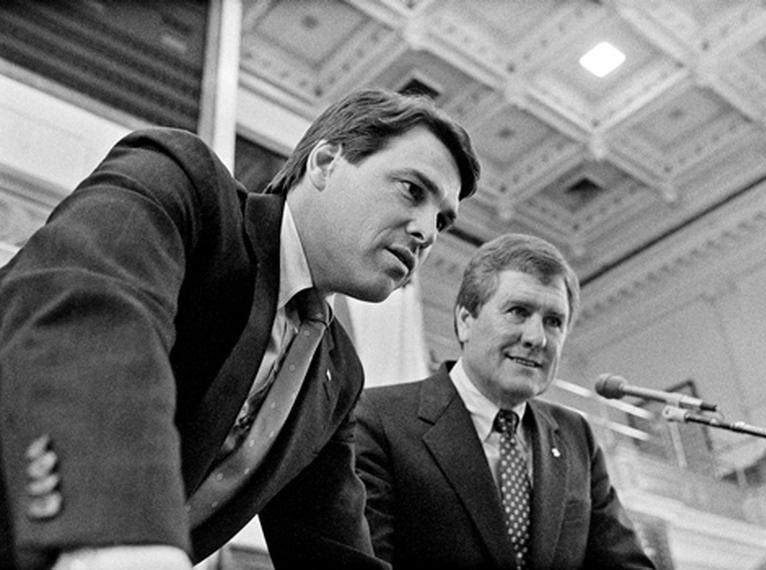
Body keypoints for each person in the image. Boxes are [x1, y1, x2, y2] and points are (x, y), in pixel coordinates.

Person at [0, 88, 480, 570]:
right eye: (412, 190)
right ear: (325, 162)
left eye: (443, 220)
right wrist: (117, 535)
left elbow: (329, 545)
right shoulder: (184, 184)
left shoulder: (338, 373)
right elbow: (91, 318)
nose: (427, 232)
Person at [355, 233, 655, 570]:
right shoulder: (378, 419)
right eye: (518, 311)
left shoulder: (576, 437)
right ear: (465, 320)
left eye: (553, 322)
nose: (536, 338)